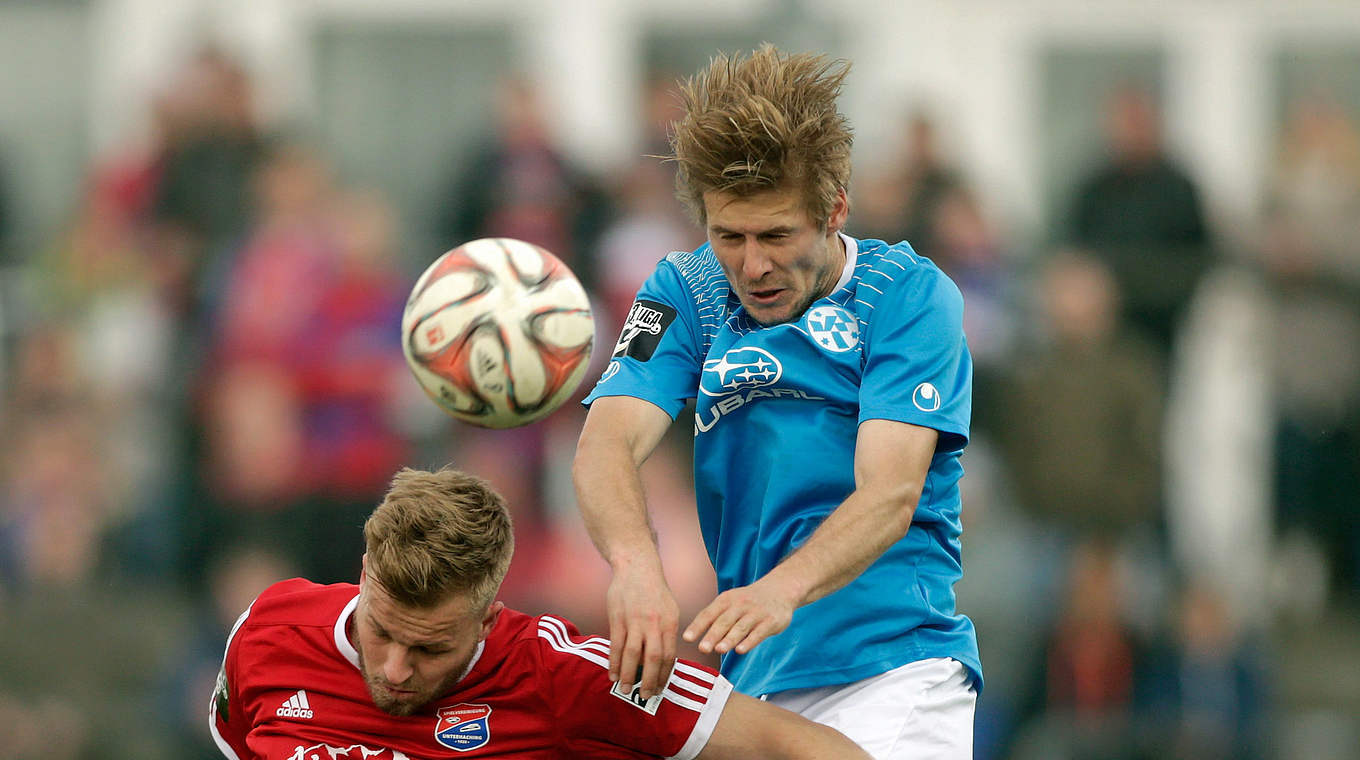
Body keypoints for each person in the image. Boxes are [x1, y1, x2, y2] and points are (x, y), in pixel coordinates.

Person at [573, 46, 980, 758]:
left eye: (777, 235)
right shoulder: (685, 291)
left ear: (835, 210)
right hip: (754, 684)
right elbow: (606, 442)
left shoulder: (908, 296)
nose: (753, 265)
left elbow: (890, 493)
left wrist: (779, 593)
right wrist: (637, 568)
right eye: (728, 235)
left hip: (895, 668)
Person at [209, 467, 870, 759]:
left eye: (431, 649)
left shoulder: (560, 675)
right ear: (361, 574)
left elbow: (794, 745)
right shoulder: (267, 632)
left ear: (489, 619)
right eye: (381, 630)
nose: (396, 667)